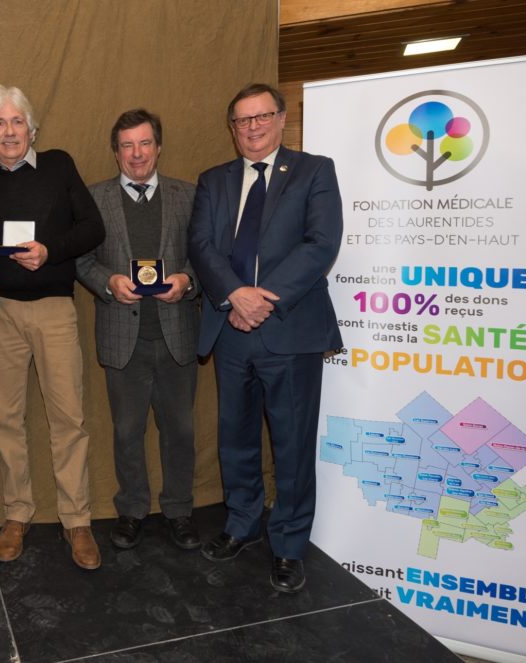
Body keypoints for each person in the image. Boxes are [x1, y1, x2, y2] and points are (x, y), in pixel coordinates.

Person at [188, 83, 343, 593]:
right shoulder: (213, 180)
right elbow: (202, 246)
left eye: (261, 117)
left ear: (281, 120)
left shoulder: (314, 171)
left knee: (292, 444)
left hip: (290, 329)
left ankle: (290, 544)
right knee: (235, 438)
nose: (252, 128)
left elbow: (321, 244)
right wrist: (235, 295)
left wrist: (262, 298)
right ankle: (241, 524)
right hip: (230, 329)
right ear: (232, 129)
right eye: (241, 121)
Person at [0, 84, 105, 570]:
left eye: (16, 121)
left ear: (31, 128)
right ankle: (18, 512)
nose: (8, 131)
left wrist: (50, 250)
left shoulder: (60, 165)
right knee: (6, 419)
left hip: (53, 309)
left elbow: (93, 227)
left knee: (69, 419)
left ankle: (77, 519)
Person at [76, 109, 200, 551]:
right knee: (127, 430)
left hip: (176, 333)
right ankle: (131, 510)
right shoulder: (93, 199)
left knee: (180, 430)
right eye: (127, 145)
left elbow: (206, 256)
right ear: (115, 152)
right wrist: (107, 282)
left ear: (158, 147)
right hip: (122, 335)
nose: (136, 154)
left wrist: (187, 281)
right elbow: (82, 260)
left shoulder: (188, 195)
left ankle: (180, 510)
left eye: (144, 143)